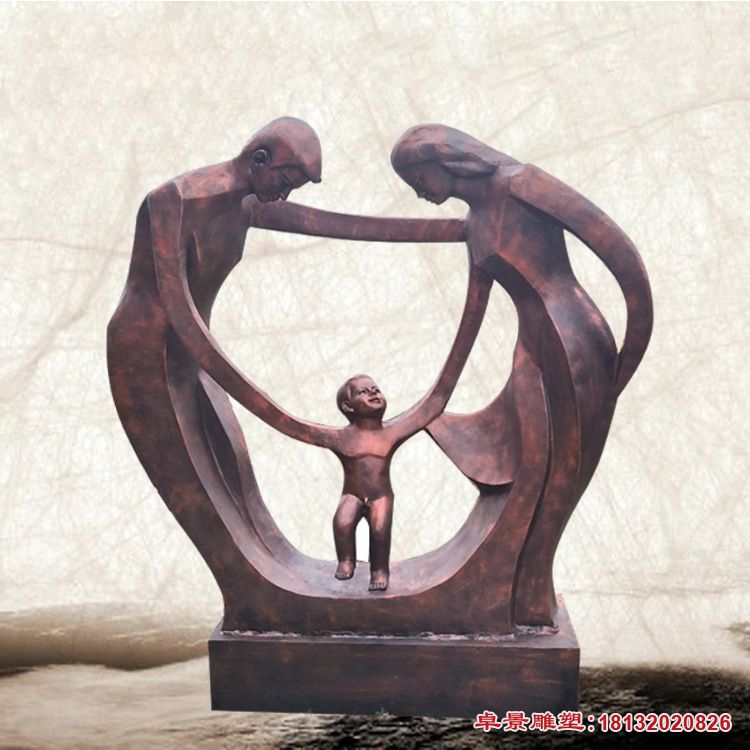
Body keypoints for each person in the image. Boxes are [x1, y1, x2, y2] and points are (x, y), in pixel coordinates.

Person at [390, 124, 653, 627]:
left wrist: (627, 357)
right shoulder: (475, 221)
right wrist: (436, 396)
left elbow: (619, 254)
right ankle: (514, 594)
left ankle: (532, 596)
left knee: (563, 473)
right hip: (531, 346)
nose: (419, 192)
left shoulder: (519, 182)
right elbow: (473, 313)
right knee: (531, 467)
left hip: (573, 335)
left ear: (440, 160)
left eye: (416, 179)